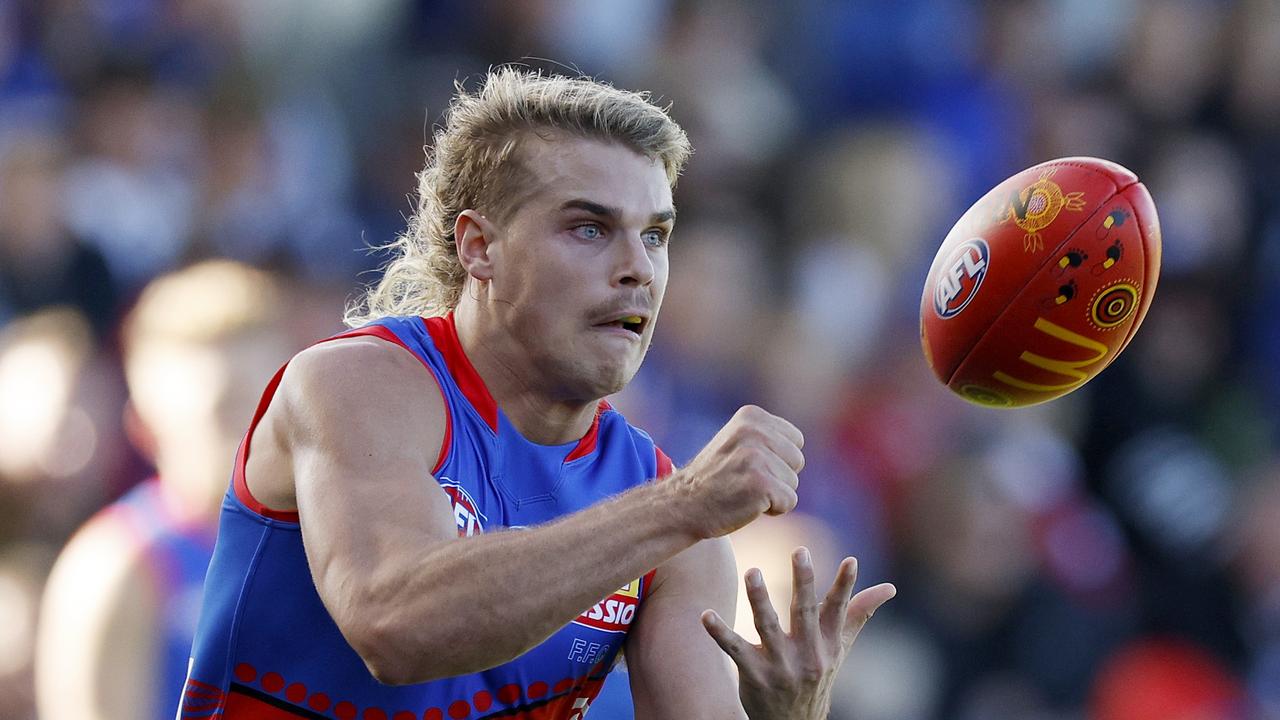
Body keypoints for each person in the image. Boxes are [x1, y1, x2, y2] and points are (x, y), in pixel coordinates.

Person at [178, 68, 895, 719]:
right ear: (478, 247)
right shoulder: (359, 383)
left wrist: (788, 718)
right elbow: (394, 627)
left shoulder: (670, 521)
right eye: (590, 228)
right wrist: (681, 509)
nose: (638, 269)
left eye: (656, 235)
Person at [35, 261, 296, 720]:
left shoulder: (327, 541)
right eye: (225, 411)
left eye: (265, 405)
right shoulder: (116, 567)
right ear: (145, 425)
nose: (253, 435)